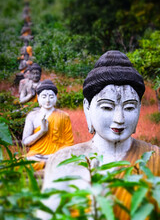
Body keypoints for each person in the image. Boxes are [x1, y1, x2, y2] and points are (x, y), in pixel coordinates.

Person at [38, 50, 160, 220]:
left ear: (139, 108)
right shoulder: (64, 159)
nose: (119, 119)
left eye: (130, 107)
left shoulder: (155, 158)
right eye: (107, 107)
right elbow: (45, 215)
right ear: (87, 108)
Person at [22, 80, 74, 170]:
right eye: (44, 96)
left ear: (56, 97)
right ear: (38, 98)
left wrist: (57, 154)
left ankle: (49, 163)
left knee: (71, 161)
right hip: (36, 155)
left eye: (51, 96)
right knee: (21, 162)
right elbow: (25, 142)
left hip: (56, 155)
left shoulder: (64, 116)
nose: (48, 100)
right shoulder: (32, 116)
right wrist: (42, 132)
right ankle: (48, 164)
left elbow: (69, 143)